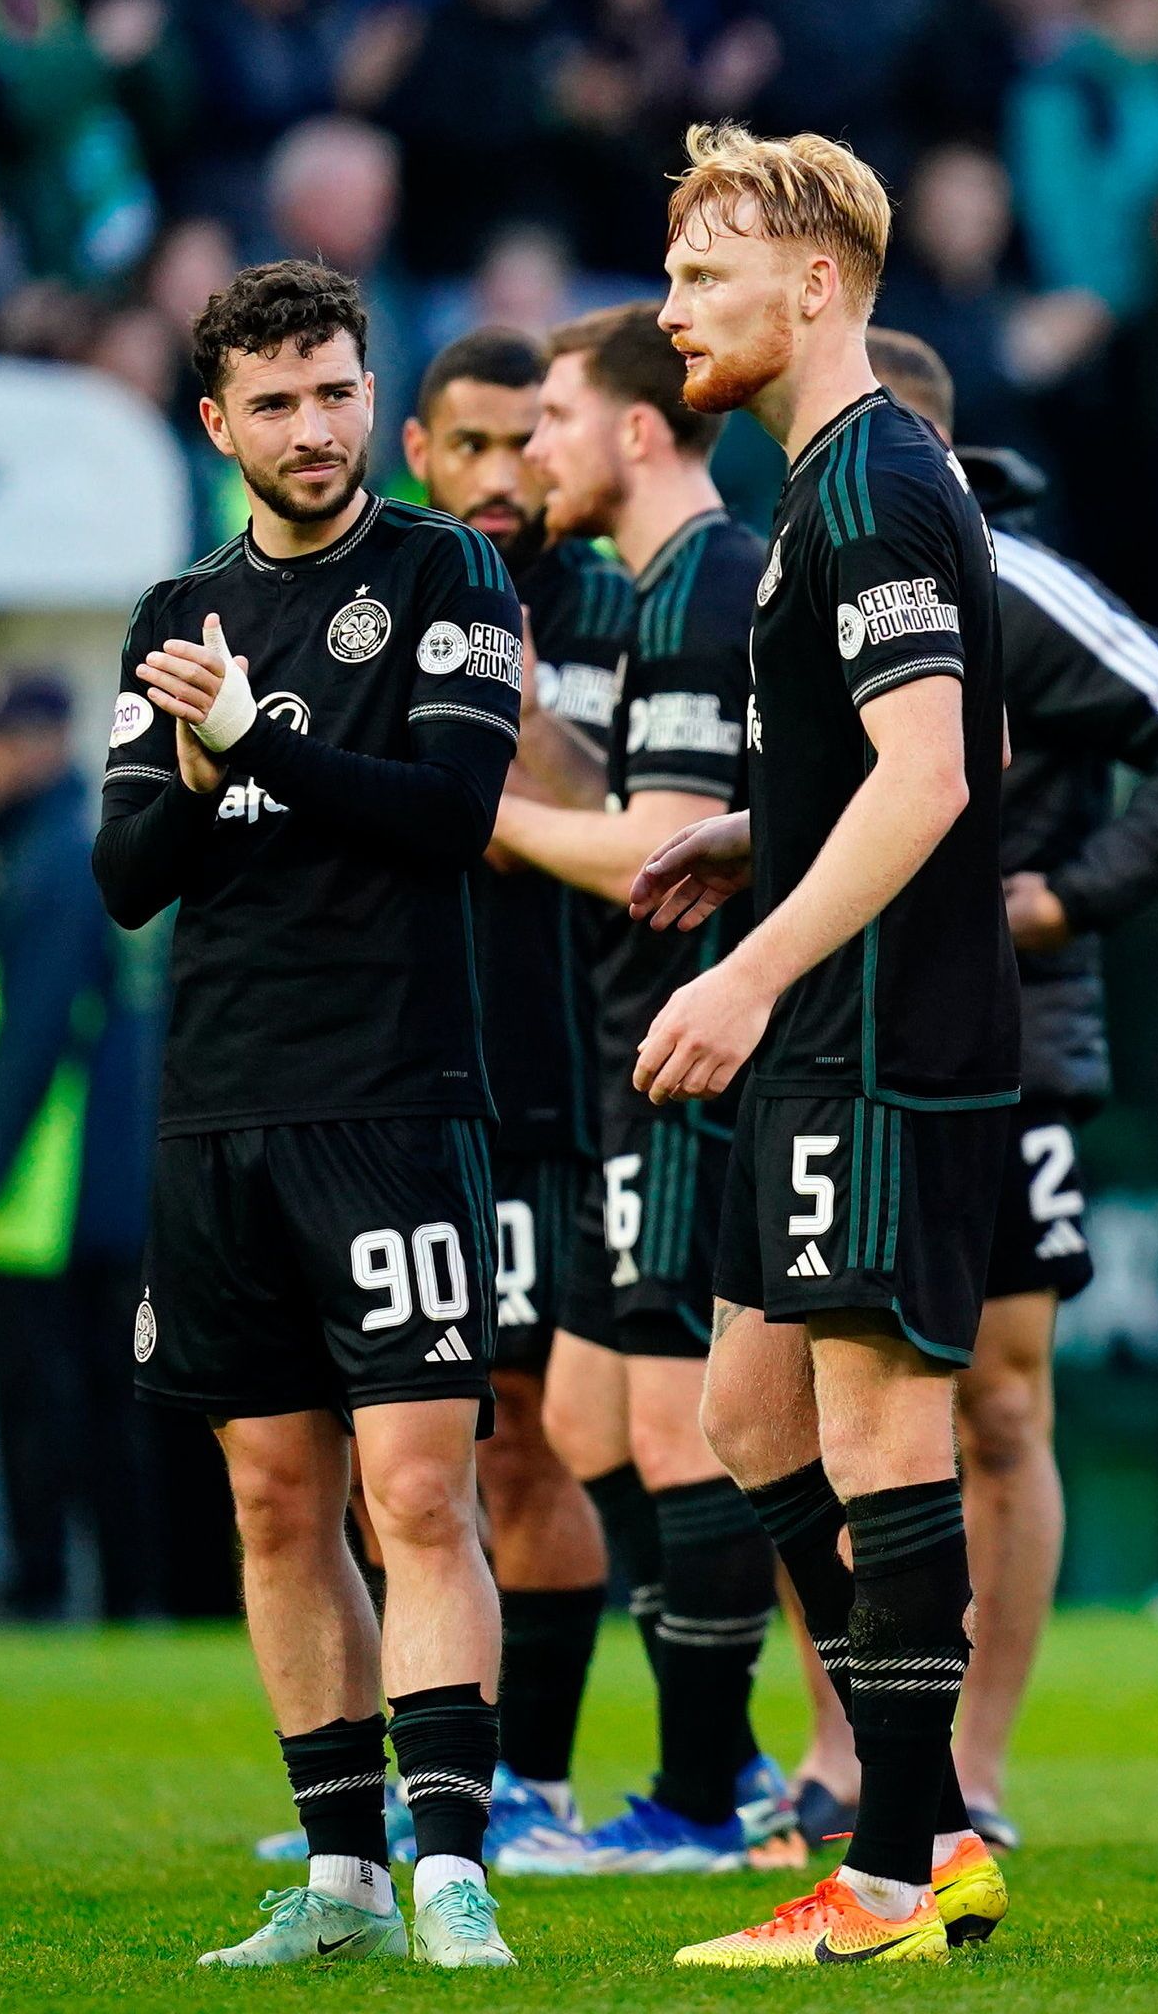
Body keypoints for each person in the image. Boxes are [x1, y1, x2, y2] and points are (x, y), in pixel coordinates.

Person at [620, 123, 1021, 1969]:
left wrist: (755, 966)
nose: (672, 305)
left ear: (815, 283)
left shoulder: (866, 482)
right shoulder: (832, 478)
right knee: (745, 1412)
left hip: (870, 1035)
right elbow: (909, 760)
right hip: (839, 1023)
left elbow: (936, 774)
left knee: (872, 1421)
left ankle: (895, 1859)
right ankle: (917, 1823)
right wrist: (757, 833)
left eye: (704, 274)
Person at [94, 259, 524, 1969]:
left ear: (371, 393)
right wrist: (199, 775)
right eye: (275, 401)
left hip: (391, 1088)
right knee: (274, 1496)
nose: (314, 425)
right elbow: (132, 874)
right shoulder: (171, 613)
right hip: (220, 1100)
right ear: (219, 424)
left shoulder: (448, 571)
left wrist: (256, 738)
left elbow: (450, 807)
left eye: (336, 389)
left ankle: (454, 1866)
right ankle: (341, 1877)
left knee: (414, 1495)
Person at [864, 325, 1158, 1849]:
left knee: (994, 1401)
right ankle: (846, 1752)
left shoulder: (1010, 580)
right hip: (818, 1036)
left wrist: (1068, 897)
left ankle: (977, 1767)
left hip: (1003, 1043)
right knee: (793, 1406)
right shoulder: (786, 575)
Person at [484, 304, 805, 1871]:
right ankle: (727, 1758)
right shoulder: (632, 592)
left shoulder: (708, 585)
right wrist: (521, 729)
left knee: (685, 1433)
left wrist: (496, 817)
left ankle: (702, 1798)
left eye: (548, 415)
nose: (530, 447)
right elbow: (600, 792)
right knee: (590, 1411)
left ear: (633, 429)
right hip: (632, 1045)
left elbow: (661, 838)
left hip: (692, 1044)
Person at [395, 329, 633, 1869]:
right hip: (392, 1084)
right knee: (410, 1446)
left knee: (535, 1438)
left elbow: (578, 823)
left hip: (555, 1083)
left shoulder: (613, 608)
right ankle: (423, 1795)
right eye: (467, 445)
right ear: (416, 448)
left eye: (519, 443)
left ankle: (532, 1781)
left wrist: (518, 707)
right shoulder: (366, 609)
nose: (497, 475)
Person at [0, 666, 160, 1620]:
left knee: (53, 1405)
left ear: (49, 741)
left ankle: (57, 1587)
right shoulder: (46, 847)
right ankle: (107, 1591)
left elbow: (33, 1030)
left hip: (43, 1202)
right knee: (85, 1401)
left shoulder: (55, 857)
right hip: (54, 1198)